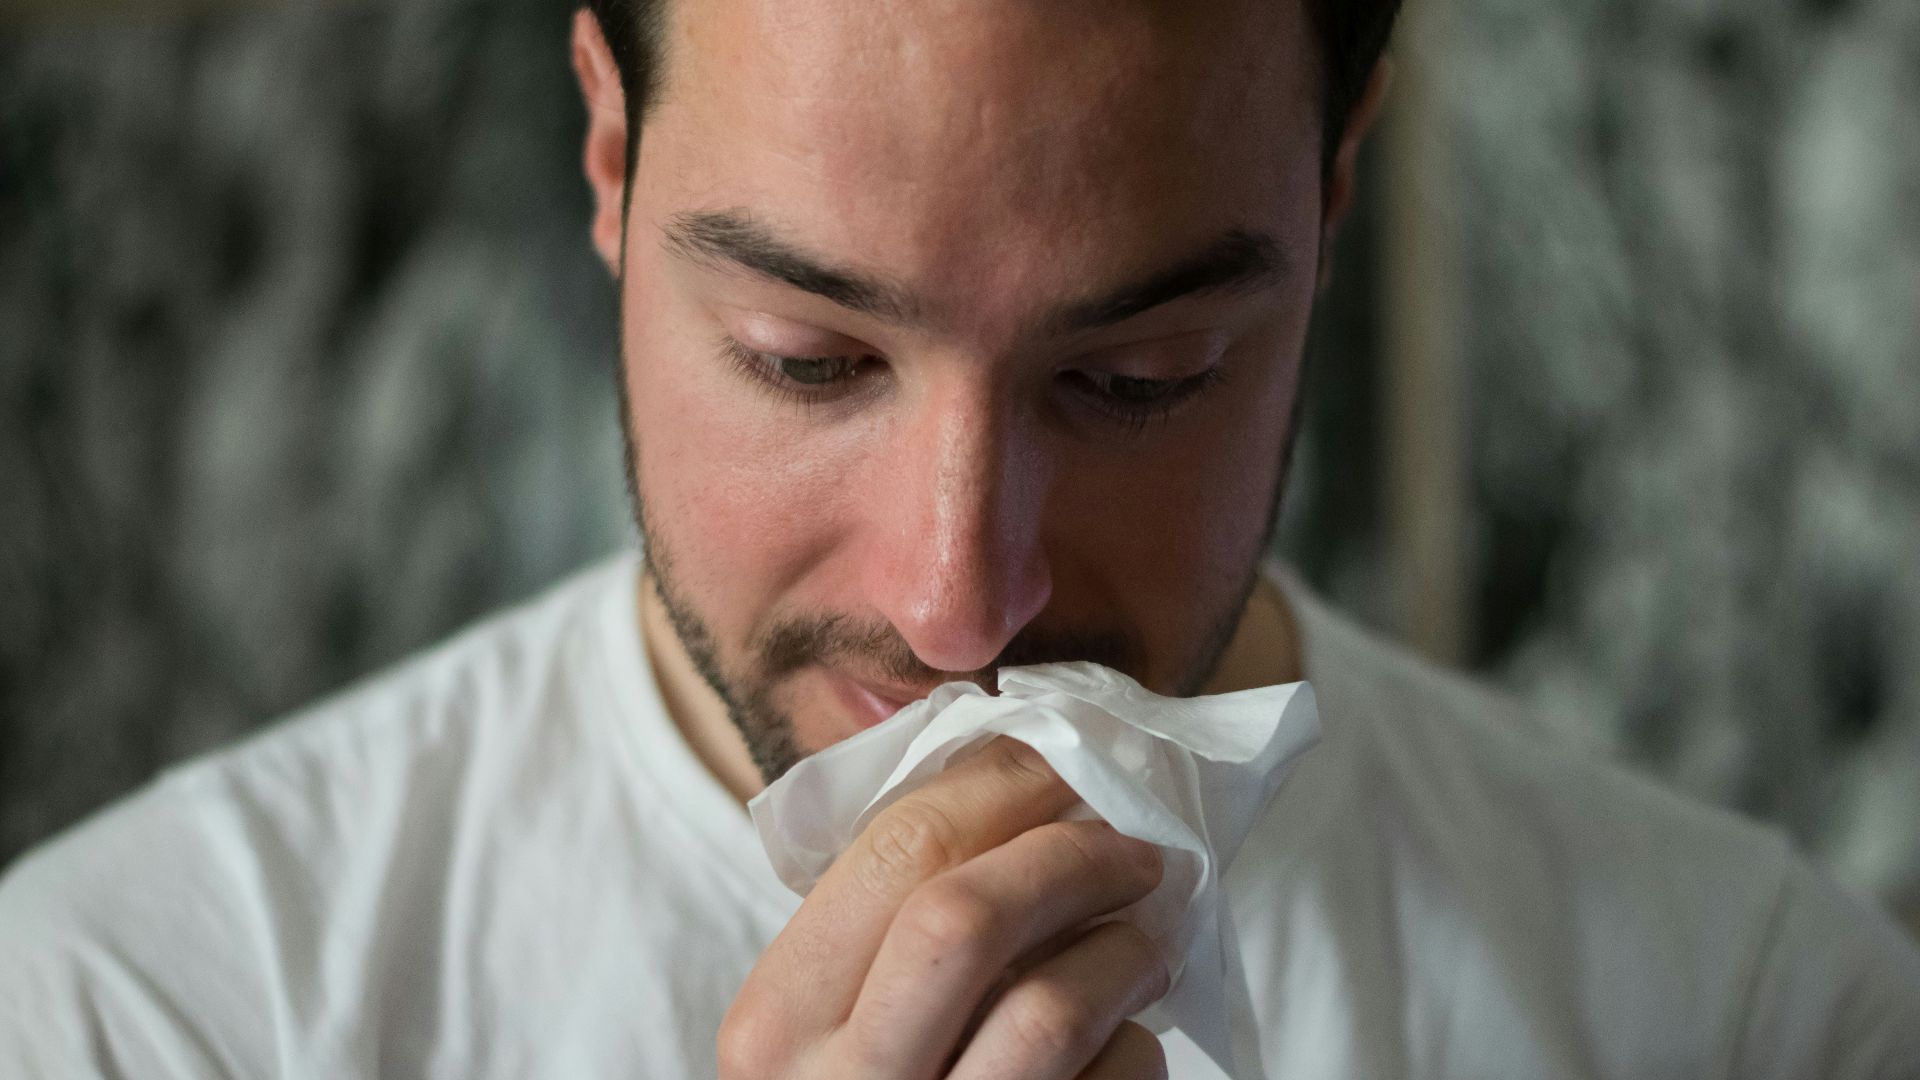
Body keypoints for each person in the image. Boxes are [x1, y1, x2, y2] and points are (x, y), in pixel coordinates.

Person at [3, 0, 1918, 1076]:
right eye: (808, 358)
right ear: (608, 157)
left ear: (1333, 197)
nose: (959, 602)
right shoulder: (134, 1016)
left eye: (1144, 375)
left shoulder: (1755, 1017)